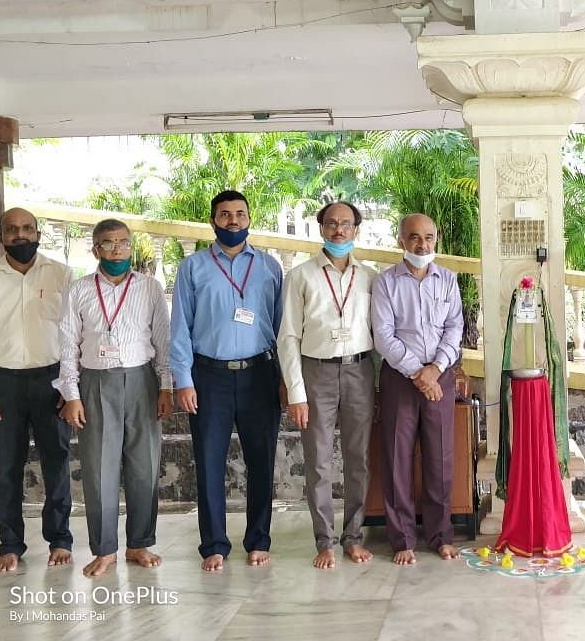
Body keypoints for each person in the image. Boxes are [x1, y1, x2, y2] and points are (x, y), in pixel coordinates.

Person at [170, 190, 285, 572]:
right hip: (209, 377)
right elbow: (180, 328)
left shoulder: (269, 267)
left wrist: (284, 379)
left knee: (261, 461)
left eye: (239, 213)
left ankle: (258, 539)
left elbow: (283, 329)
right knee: (209, 462)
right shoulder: (193, 268)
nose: (233, 220)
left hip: (260, 375)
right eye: (225, 214)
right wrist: (183, 380)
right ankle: (214, 544)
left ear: (249, 218)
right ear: (213, 221)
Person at [55, 219, 172, 577]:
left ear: (131, 247)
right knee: (99, 469)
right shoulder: (79, 290)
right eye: (109, 243)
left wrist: (166, 385)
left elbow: (163, 342)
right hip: (95, 383)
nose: (117, 249)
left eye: (123, 242)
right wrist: (71, 394)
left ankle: (139, 543)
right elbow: (67, 345)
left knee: (144, 467)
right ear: (96, 250)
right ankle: (104, 549)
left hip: (142, 381)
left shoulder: (150, 288)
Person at [0, 207, 75, 572]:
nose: (20, 235)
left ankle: (60, 540)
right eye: (12, 230)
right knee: (7, 469)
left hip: (52, 381)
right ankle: (10, 544)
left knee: (57, 463)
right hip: (3, 384)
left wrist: (70, 387)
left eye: (27, 228)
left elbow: (75, 337)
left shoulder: (62, 275)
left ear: (38, 234)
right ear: (1, 238)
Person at [278, 201, 376, 569]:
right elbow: (287, 336)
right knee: (318, 461)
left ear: (356, 230)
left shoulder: (369, 277)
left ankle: (353, 536)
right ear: (321, 228)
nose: (339, 231)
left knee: (358, 459)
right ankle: (325, 541)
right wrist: (297, 392)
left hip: (360, 372)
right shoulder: (300, 277)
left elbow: (378, 334)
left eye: (346, 225)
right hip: (316, 372)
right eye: (332, 224)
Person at [371, 213, 463, 565]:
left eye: (428, 237)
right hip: (399, 378)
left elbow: (454, 328)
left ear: (435, 240)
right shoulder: (385, 283)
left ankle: (441, 535)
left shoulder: (448, 280)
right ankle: (403, 540)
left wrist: (436, 369)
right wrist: (418, 373)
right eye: (414, 237)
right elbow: (384, 336)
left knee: (441, 458)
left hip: (439, 376)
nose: (422, 244)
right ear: (401, 241)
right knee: (397, 459)